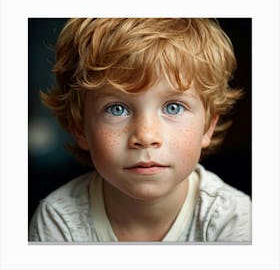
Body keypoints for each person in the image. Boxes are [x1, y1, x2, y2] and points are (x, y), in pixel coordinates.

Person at [29, 18, 251, 242]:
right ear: (79, 128)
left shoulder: (232, 219)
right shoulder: (58, 221)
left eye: (173, 108)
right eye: (116, 109)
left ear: (208, 127)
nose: (146, 136)